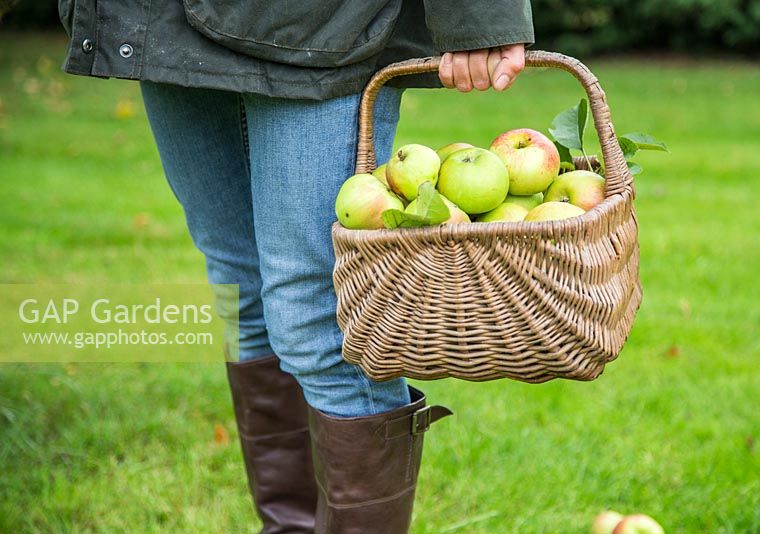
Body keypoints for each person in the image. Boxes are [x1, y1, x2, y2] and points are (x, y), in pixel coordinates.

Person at [58, 2, 534, 532]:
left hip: (320, 24)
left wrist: (480, 17)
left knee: (323, 316)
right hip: (166, 19)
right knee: (241, 288)